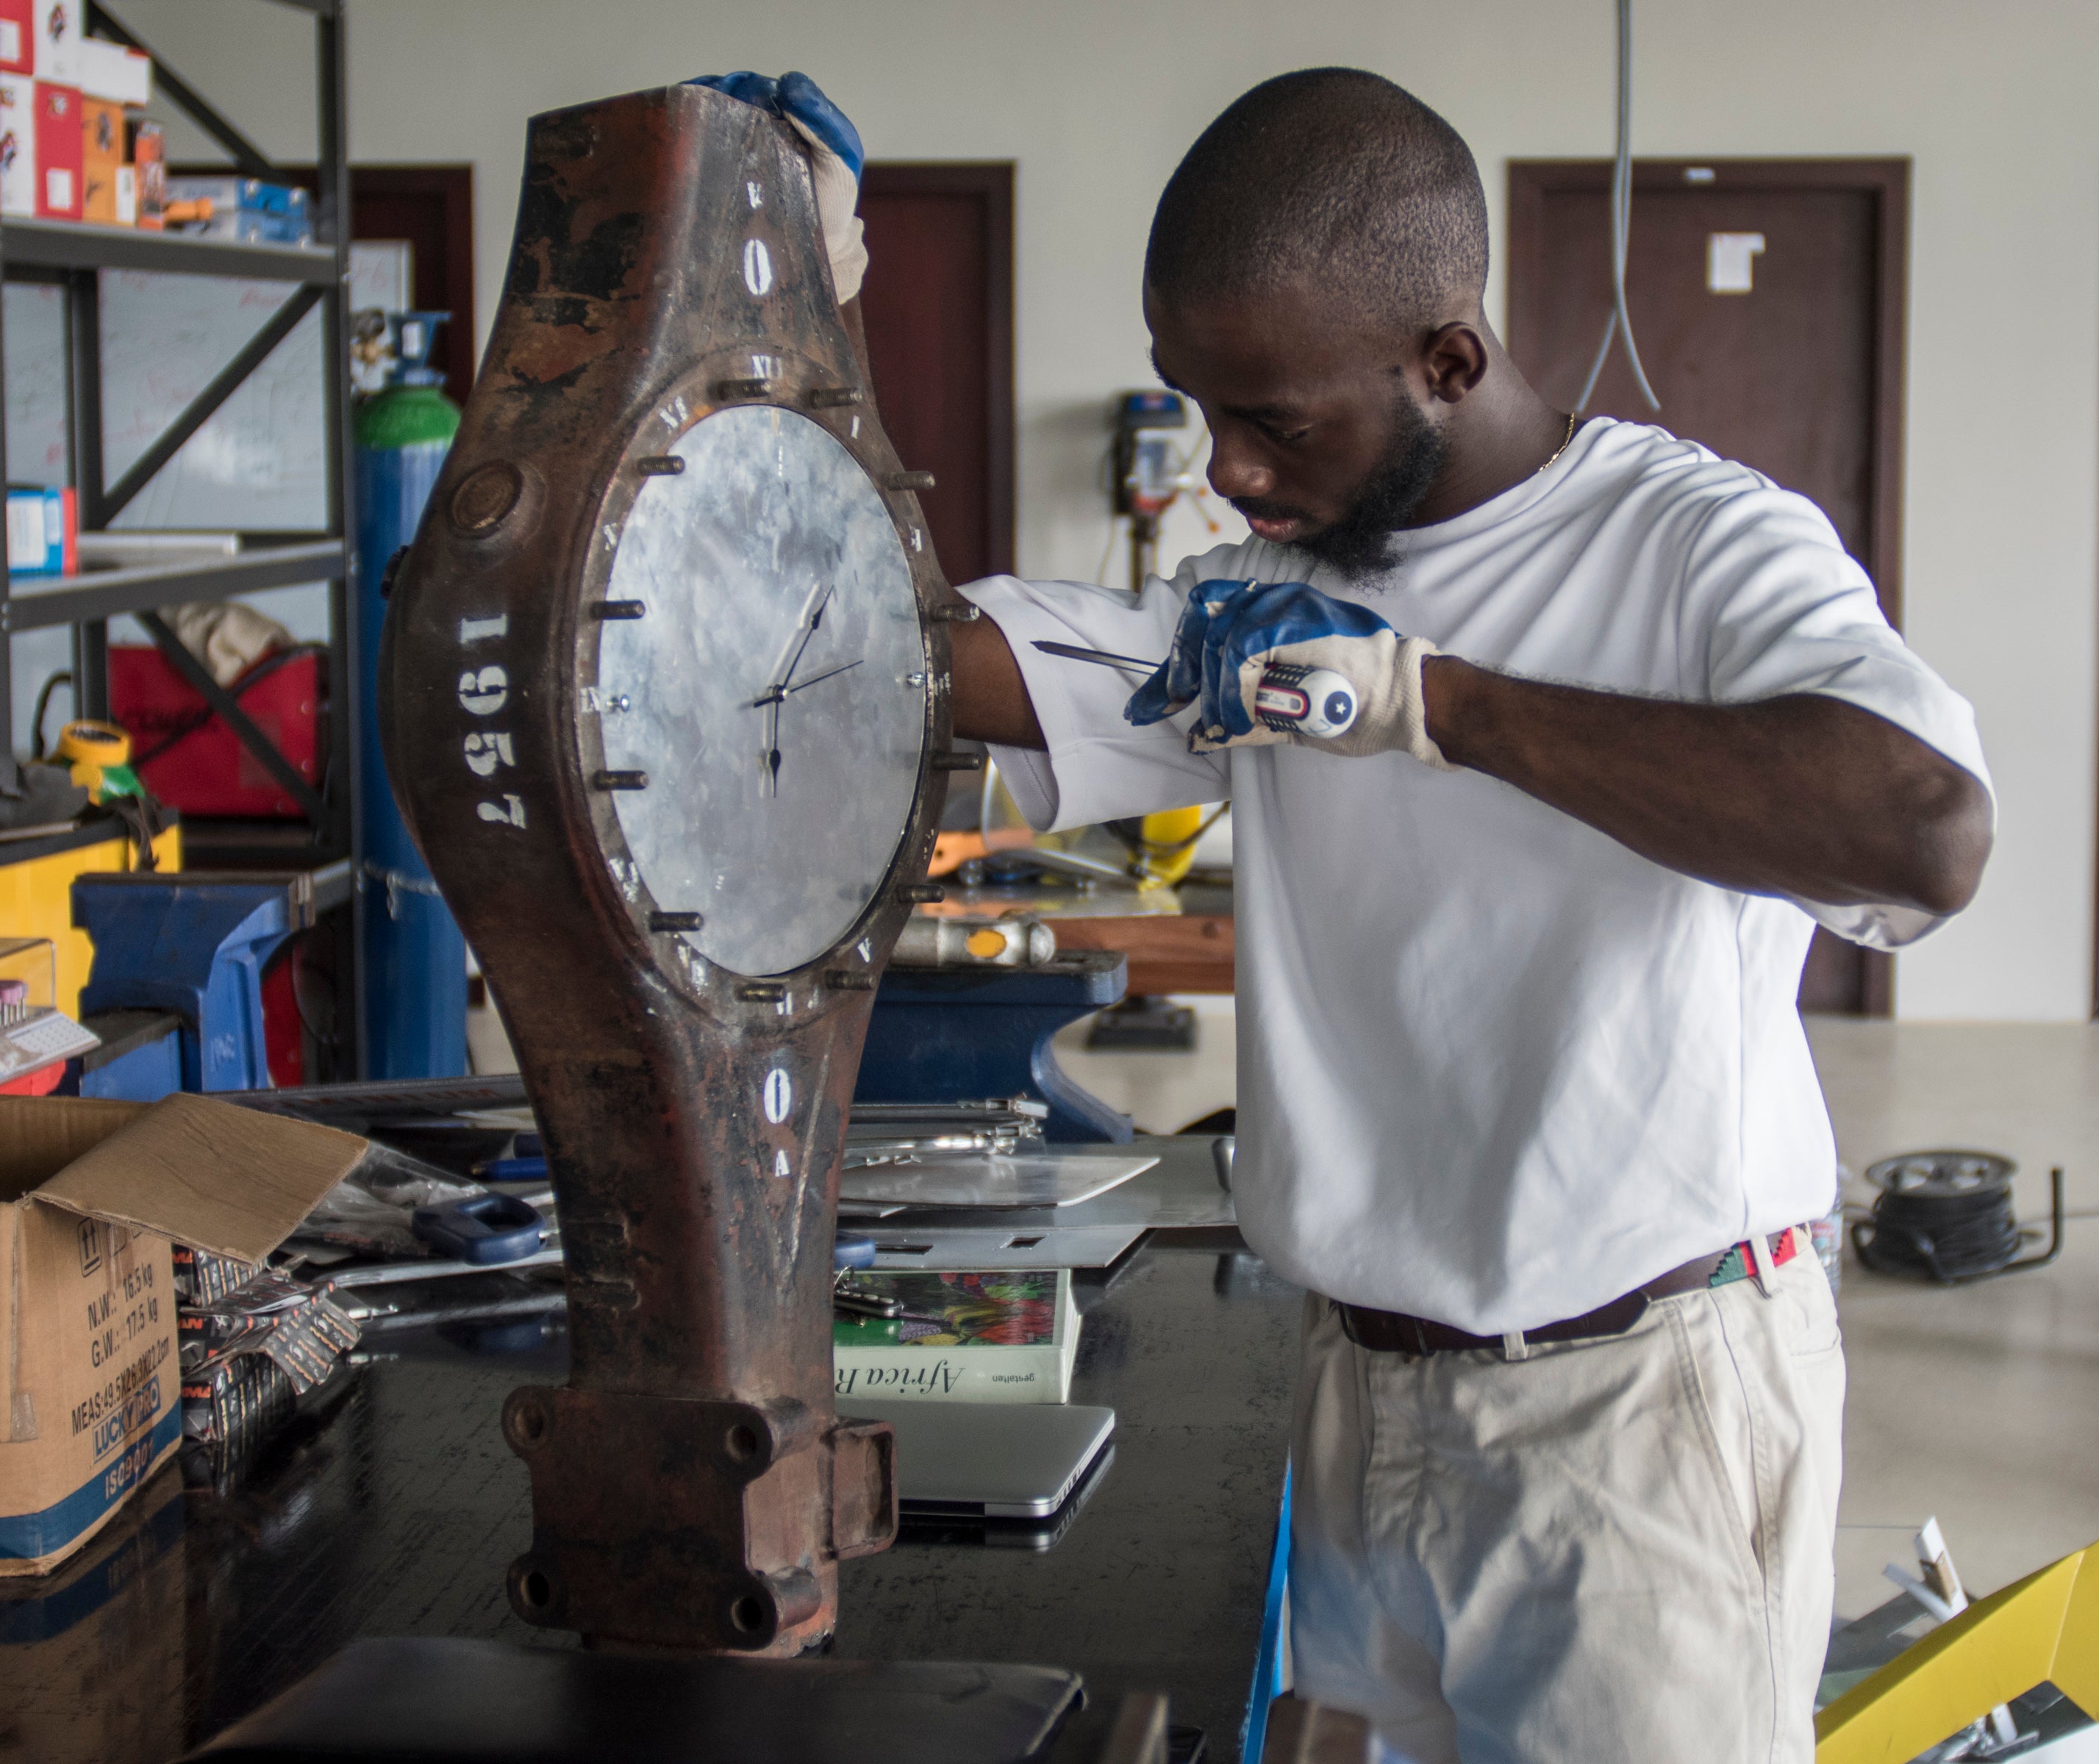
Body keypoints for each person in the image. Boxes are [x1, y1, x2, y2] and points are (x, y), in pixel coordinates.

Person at [726, 64, 1994, 1764]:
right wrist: (800, 313)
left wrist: (1440, 709)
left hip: (1635, 1408)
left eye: (1277, 419)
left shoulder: (1694, 545)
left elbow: (1923, 827)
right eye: (1197, 408)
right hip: (1354, 1389)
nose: (1227, 470)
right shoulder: (1273, 592)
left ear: (1446, 362)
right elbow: (920, 653)